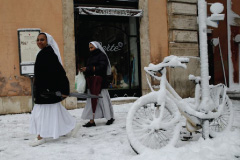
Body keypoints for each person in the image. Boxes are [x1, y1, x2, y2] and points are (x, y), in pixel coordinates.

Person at [29, 32, 80, 147]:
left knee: (40, 114)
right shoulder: (44, 53)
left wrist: (64, 89)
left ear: (48, 41)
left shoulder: (48, 54)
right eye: (37, 40)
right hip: (44, 90)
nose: (39, 42)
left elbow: (59, 73)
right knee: (56, 111)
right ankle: (72, 125)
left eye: (42, 39)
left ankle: (40, 136)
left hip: (47, 90)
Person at [80, 41, 114, 127]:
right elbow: (91, 68)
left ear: (96, 47)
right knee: (91, 101)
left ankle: (109, 118)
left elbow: (102, 67)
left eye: (92, 47)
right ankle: (91, 121)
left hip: (100, 82)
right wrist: (86, 70)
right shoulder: (91, 56)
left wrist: (89, 69)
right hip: (91, 82)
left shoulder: (102, 56)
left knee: (103, 100)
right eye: (89, 48)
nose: (90, 49)